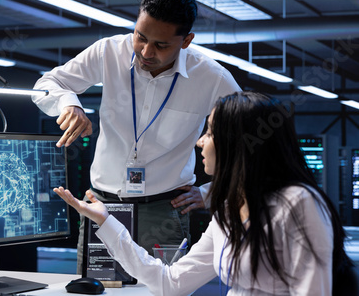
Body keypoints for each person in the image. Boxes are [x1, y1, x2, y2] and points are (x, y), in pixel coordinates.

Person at [54, 91, 353, 295]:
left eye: (210, 133)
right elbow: (170, 282)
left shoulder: (299, 204)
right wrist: (107, 223)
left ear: (237, 143)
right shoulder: (228, 210)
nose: (201, 142)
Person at [32, 0, 240, 266]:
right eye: (140, 36)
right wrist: (69, 103)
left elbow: (250, 141)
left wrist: (211, 192)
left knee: (163, 289)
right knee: (97, 289)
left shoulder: (212, 78)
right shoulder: (108, 52)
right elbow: (46, 84)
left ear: (187, 41)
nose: (145, 52)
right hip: (103, 206)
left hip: (164, 210)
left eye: (161, 45)